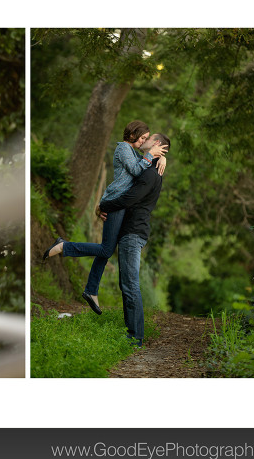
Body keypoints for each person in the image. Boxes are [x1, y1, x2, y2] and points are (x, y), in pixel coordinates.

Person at [42, 120, 168, 314]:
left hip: (120, 203)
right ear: (133, 134)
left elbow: (143, 164)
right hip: (116, 201)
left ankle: (91, 290)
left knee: (106, 249)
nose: (144, 140)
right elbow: (136, 170)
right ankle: (64, 246)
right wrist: (151, 155)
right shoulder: (124, 149)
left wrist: (161, 158)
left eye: (147, 138)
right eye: (143, 137)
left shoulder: (134, 152)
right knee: (106, 249)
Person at [98, 133, 172, 347]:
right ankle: (133, 334)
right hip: (131, 231)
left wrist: (104, 205)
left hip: (133, 232)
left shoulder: (151, 173)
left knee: (130, 284)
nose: (143, 142)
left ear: (157, 144)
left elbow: (131, 198)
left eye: (148, 139)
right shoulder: (150, 166)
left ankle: (135, 338)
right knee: (127, 283)